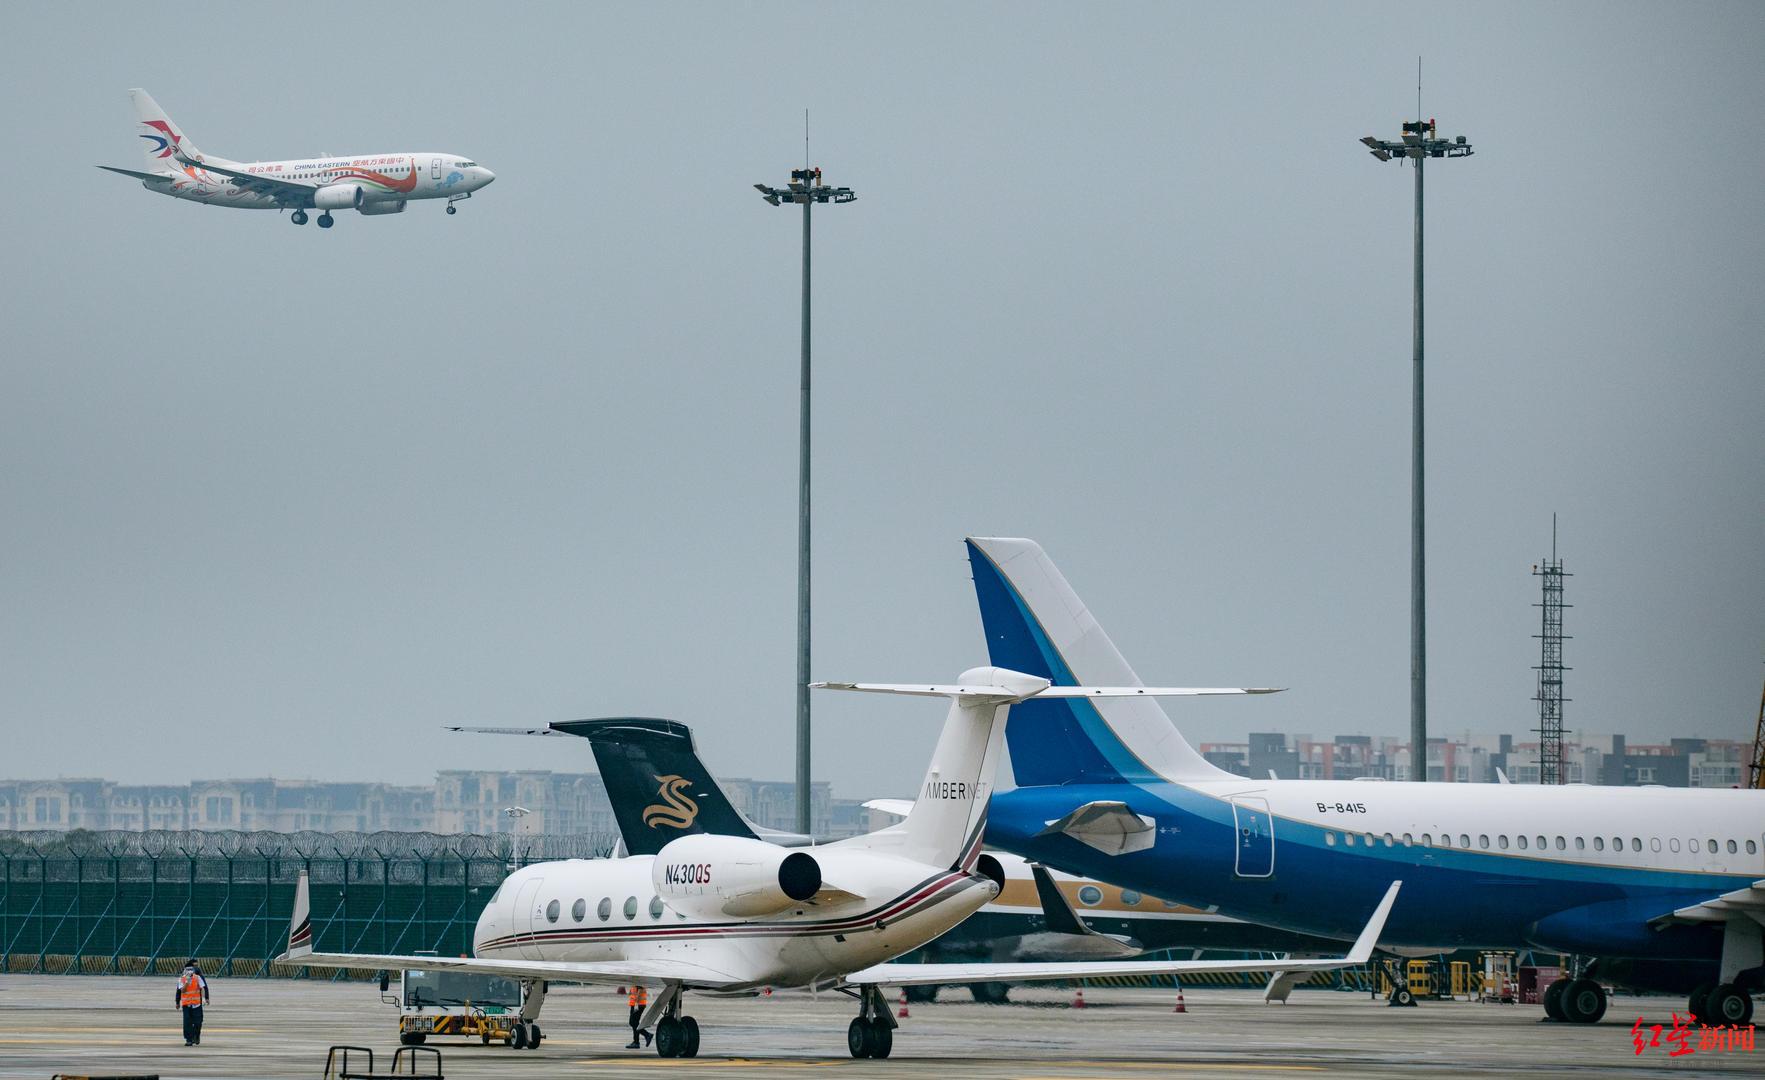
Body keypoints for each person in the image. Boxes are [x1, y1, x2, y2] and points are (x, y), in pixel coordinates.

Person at [175, 959, 209, 1046]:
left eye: (191, 970)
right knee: (187, 1022)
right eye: (187, 970)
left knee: (198, 1022)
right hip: (186, 1005)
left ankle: (196, 1035)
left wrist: (205, 998)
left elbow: (203, 988)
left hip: (196, 1004)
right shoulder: (181, 979)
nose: (189, 972)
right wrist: (187, 982)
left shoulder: (198, 978)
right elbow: (181, 990)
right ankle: (188, 1039)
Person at [626, 984, 652, 1049]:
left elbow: (640, 988)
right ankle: (636, 1042)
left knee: (632, 1023)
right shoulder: (635, 979)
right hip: (635, 1005)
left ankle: (647, 1035)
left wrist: (636, 1001)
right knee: (635, 1023)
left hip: (638, 1005)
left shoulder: (638, 979)